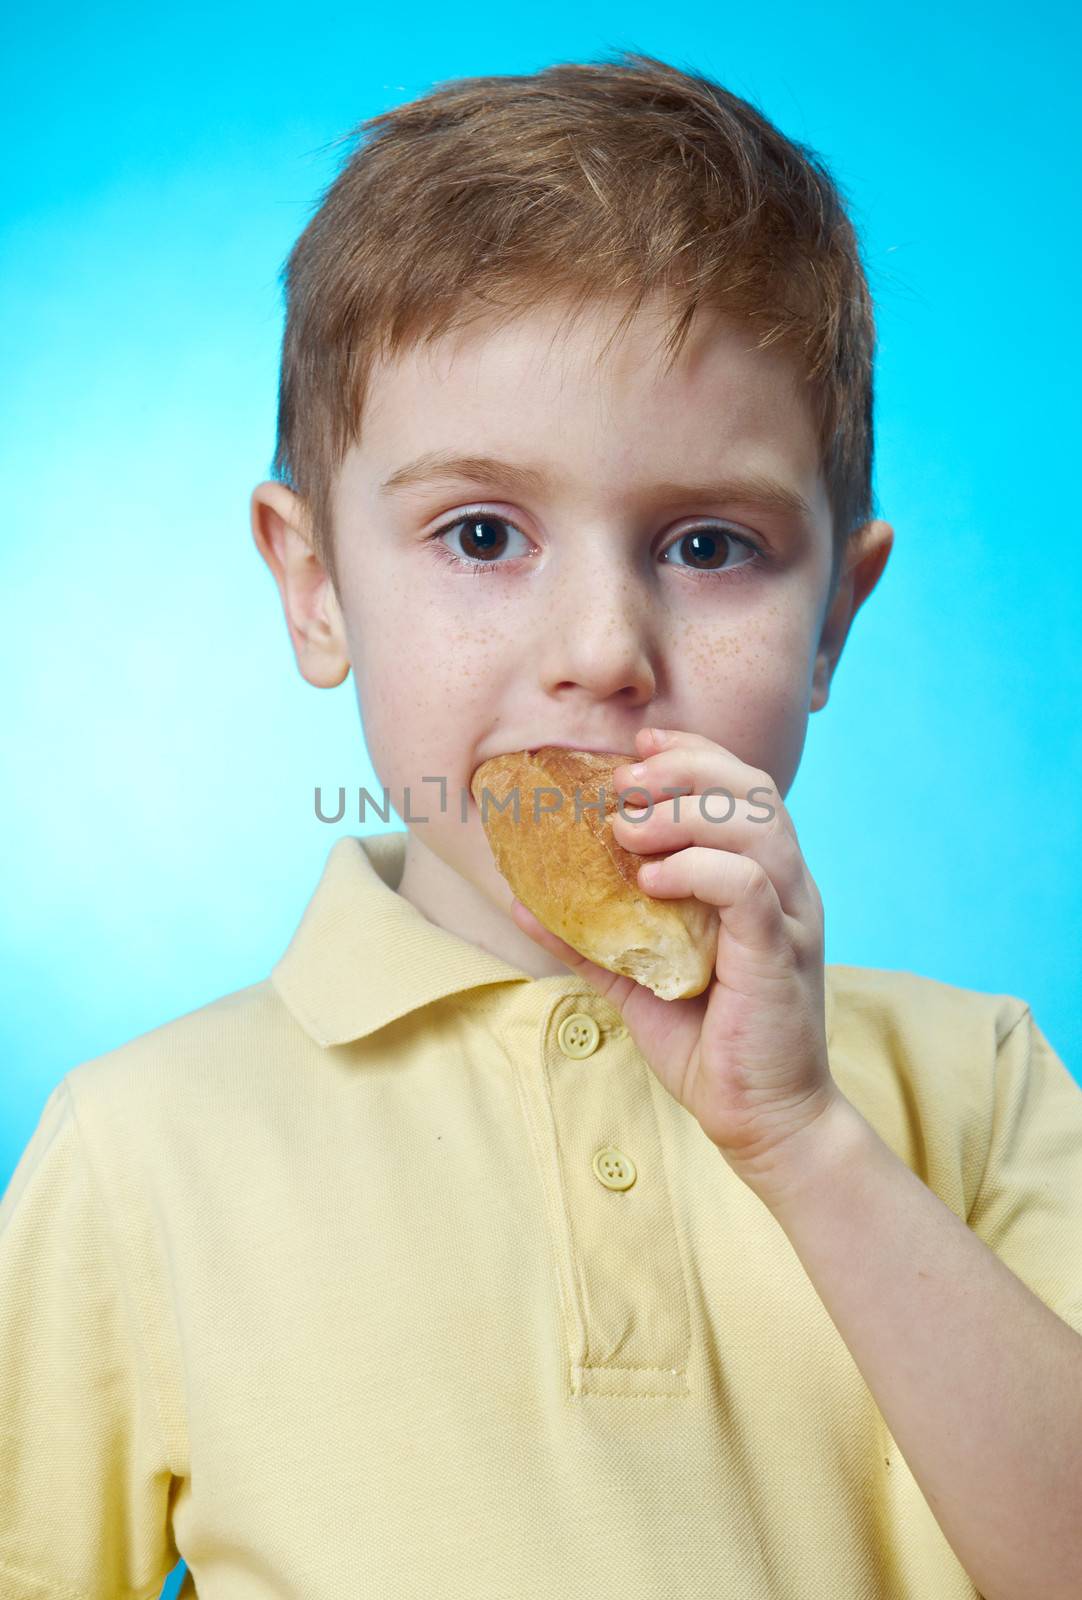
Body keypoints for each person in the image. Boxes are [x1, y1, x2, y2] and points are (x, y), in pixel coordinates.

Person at [3, 49, 1080, 1600]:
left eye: (708, 544)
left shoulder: (971, 1087)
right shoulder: (141, 1150)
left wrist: (807, 1145)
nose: (600, 647)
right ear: (312, 584)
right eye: (482, 533)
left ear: (834, 615)